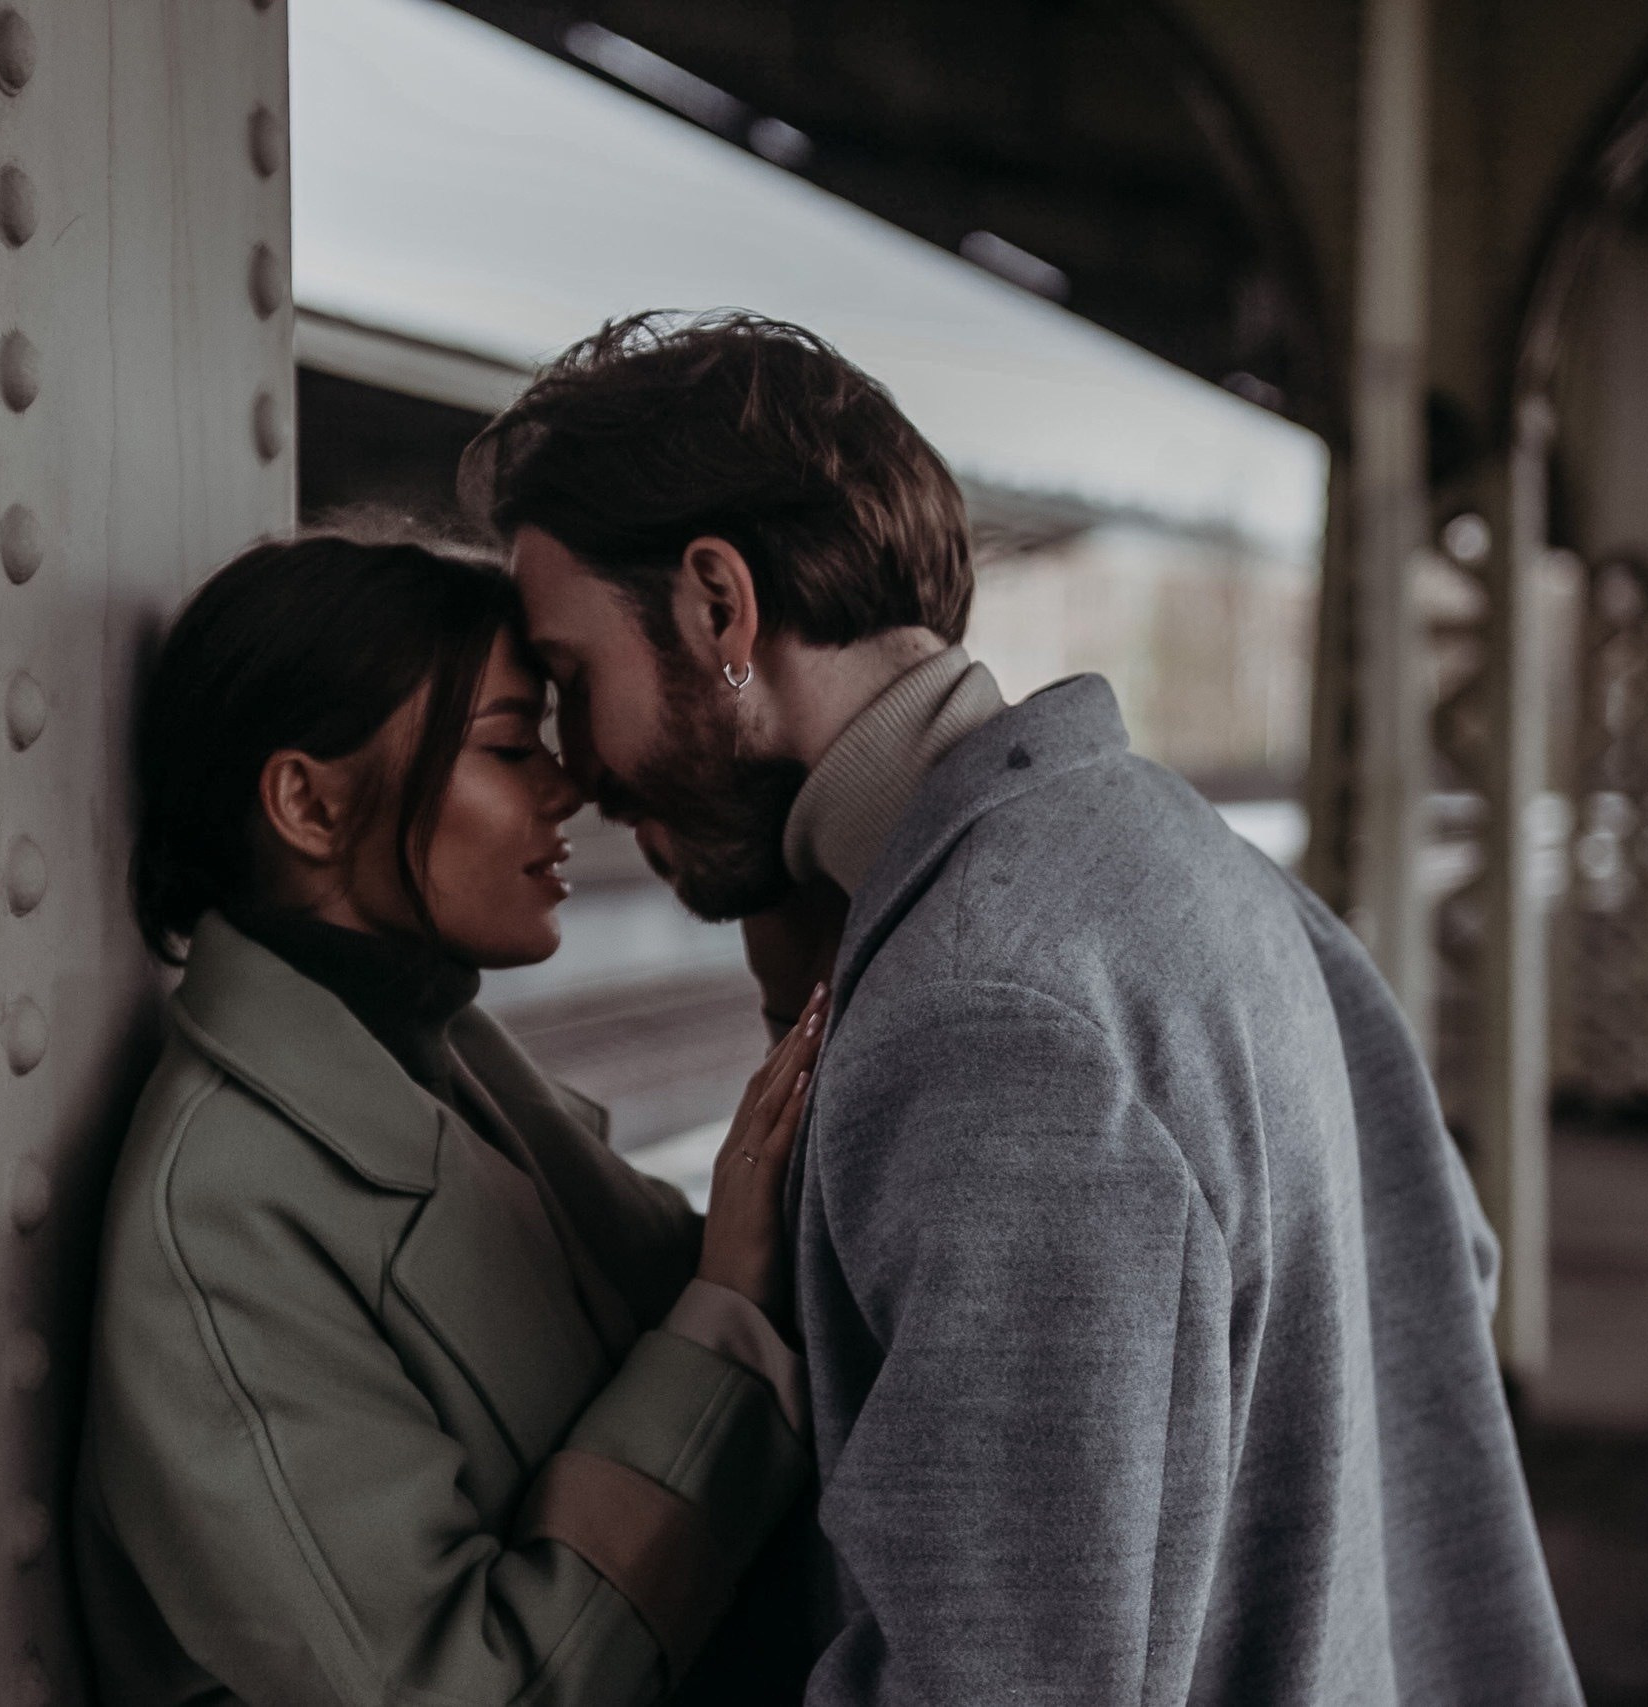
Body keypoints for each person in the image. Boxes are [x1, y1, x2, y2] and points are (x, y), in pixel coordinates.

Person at [460, 311, 1586, 1706]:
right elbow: (1438, 1275)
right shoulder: (1194, 864)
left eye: (573, 681)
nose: (578, 767)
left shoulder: (987, 1015)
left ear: (718, 607)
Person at [76, 531, 825, 1706]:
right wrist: (727, 1302)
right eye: (510, 747)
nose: (566, 786)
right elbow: (461, 1686)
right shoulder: (222, 1211)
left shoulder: (436, 1048)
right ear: (308, 805)